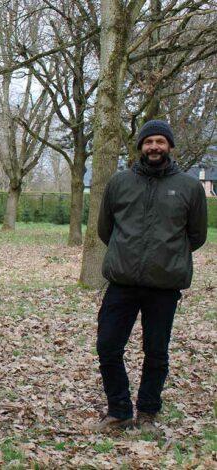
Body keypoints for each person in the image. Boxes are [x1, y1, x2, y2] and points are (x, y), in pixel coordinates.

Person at [90, 119, 208, 431]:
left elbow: (196, 235)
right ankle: (119, 411)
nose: (154, 147)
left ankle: (148, 412)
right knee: (108, 347)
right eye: (148, 141)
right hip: (122, 282)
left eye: (160, 141)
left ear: (170, 146)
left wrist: (166, 258)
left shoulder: (189, 188)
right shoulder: (119, 183)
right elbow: (106, 229)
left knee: (156, 352)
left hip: (164, 286)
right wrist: (126, 254)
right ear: (140, 146)